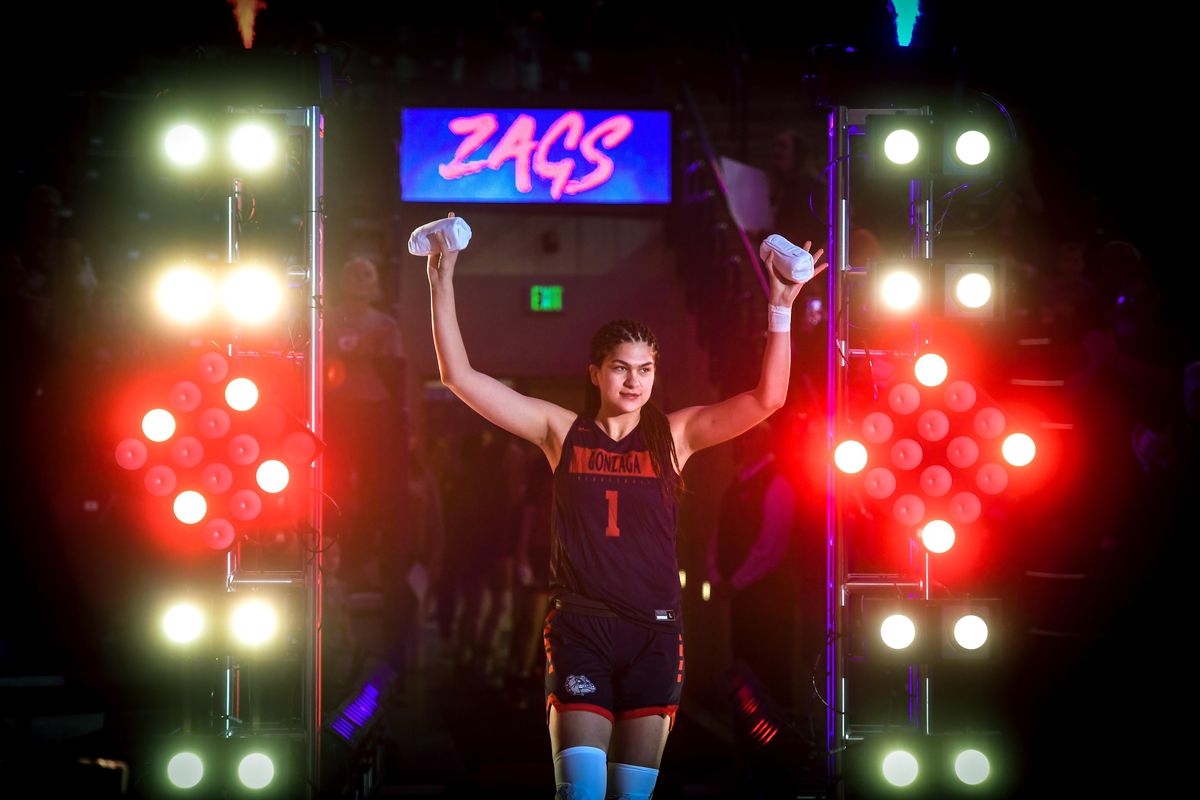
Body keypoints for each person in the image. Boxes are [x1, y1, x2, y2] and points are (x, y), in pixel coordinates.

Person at [423, 212, 824, 800]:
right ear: (596, 373)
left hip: (655, 635)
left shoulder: (675, 436)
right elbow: (458, 376)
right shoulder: (560, 431)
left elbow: (769, 398)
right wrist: (442, 276)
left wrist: (782, 306)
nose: (635, 382)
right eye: (621, 368)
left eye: (646, 369)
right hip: (582, 626)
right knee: (581, 792)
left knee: (631, 797)